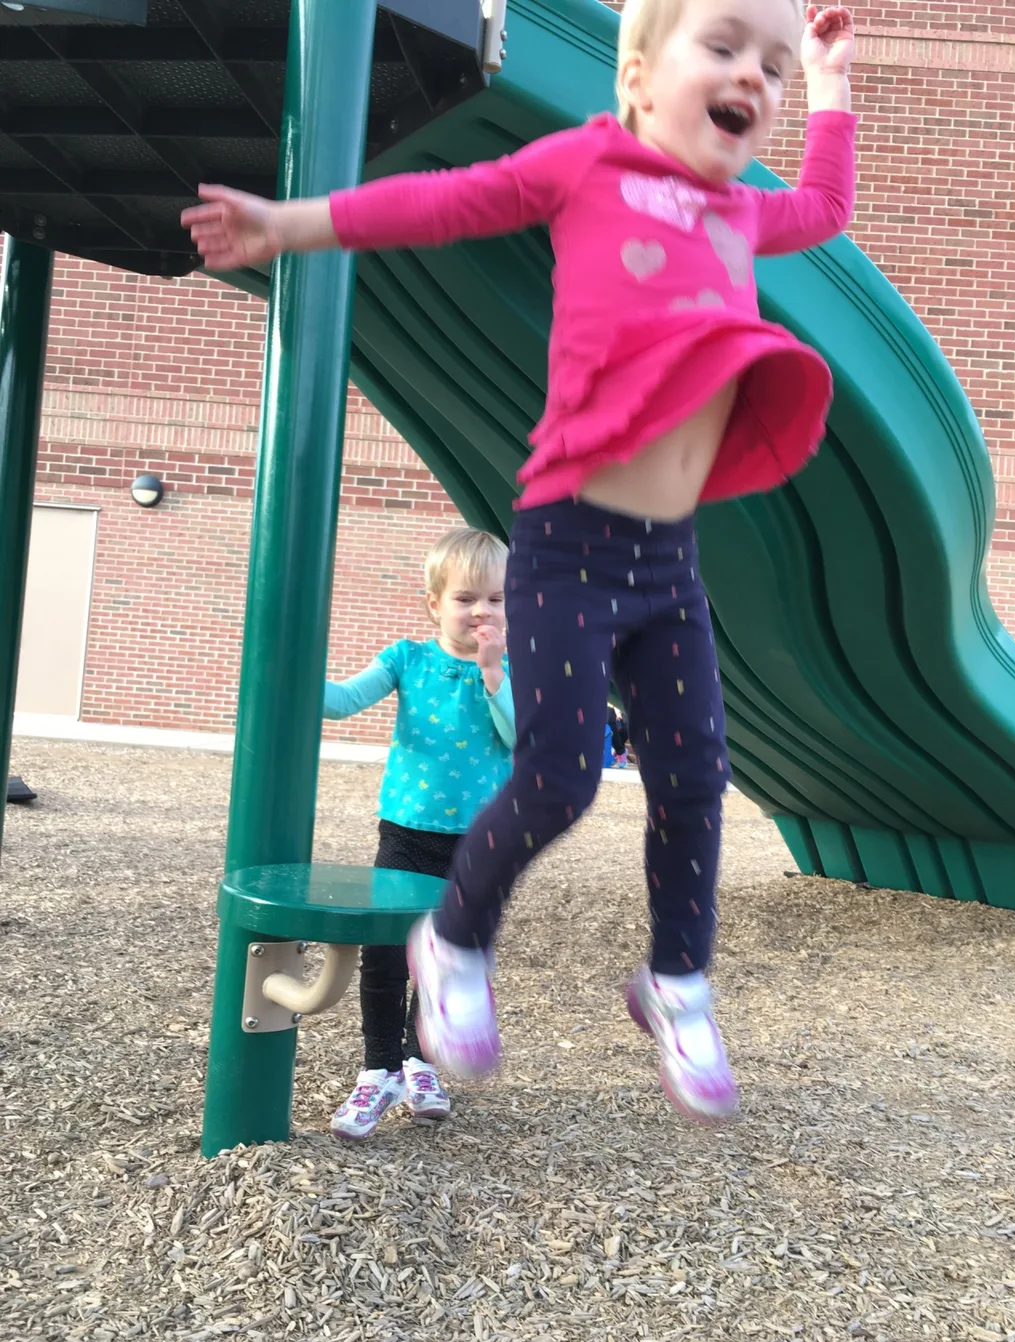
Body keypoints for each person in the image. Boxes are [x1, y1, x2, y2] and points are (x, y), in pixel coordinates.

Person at [183, 0, 857, 1123]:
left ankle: (677, 979)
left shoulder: (743, 213)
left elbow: (827, 207)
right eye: (727, 49)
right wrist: (289, 227)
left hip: (668, 558)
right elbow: (443, 202)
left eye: (774, 69)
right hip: (567, 541)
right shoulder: (589, 164)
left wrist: (834, 81)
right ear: (638, 80)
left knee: (694, 774)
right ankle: (453, 940)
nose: (757, 78)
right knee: (561, 773)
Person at [320, 528, 514, 1140]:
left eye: (496, 599)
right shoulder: (407, 658)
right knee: (386, 956)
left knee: (448, 960)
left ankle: (420, 1063)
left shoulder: (511, 670)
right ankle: (378, 1070)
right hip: (407, 834)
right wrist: (292, 670)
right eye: (465, 598)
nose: (481, 611)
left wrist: (492, 674)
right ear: (435, 603)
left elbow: (520, 737)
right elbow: (346, 700)